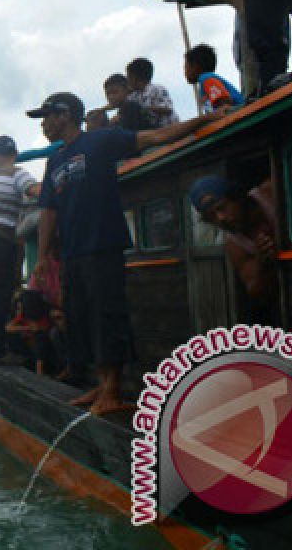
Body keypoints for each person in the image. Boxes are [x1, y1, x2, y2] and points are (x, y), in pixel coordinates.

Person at [29, 91, 224, 415]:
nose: (44, 125)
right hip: (73, 253)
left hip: (103, 244)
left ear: (64, 115)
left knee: (107, 316)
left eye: (47, 117)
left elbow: (155, 136)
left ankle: (114, 391)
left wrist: (205, 118)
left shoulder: (100, 141)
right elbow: (48, 211)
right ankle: (100, 384)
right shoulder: (54, 161)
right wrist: (41, 258)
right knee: (81, 320)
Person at [0, 136, 42, 364]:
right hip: (3, 241)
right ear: (13, 154)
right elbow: (35, 190)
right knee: (1, 297)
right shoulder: (17, 174)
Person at [189, 176, 280, 324]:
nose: (220, 218)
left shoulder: (270, 192)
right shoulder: (235, 245)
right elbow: (256, 291)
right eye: (211, 216)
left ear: (237, 197)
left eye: (221, 207)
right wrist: (262, 262)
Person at [5, 289, 55, 375]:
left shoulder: (43, 315)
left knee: (40, 339)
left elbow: (43, 329)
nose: (19, 310)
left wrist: (36, 329)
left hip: (43, 349)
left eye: (20, 308)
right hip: (27, 346)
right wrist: (25, 328)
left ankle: (40, 370)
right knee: (12, 334)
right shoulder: (22, 316)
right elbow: (8, 327)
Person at [184, 43, 245, 114]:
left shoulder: (206, 79)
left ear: (195, 66)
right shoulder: (205, 81)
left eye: (186, 67)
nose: (185, 72)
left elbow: (224, 103)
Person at [126, 58, 179, 127]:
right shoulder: (133, 96)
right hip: (155, 132)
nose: (127, 80)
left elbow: (168, 109)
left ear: (135, 77)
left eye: (128, 76)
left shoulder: (156, 89)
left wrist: (144, 109)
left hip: (171, 129)